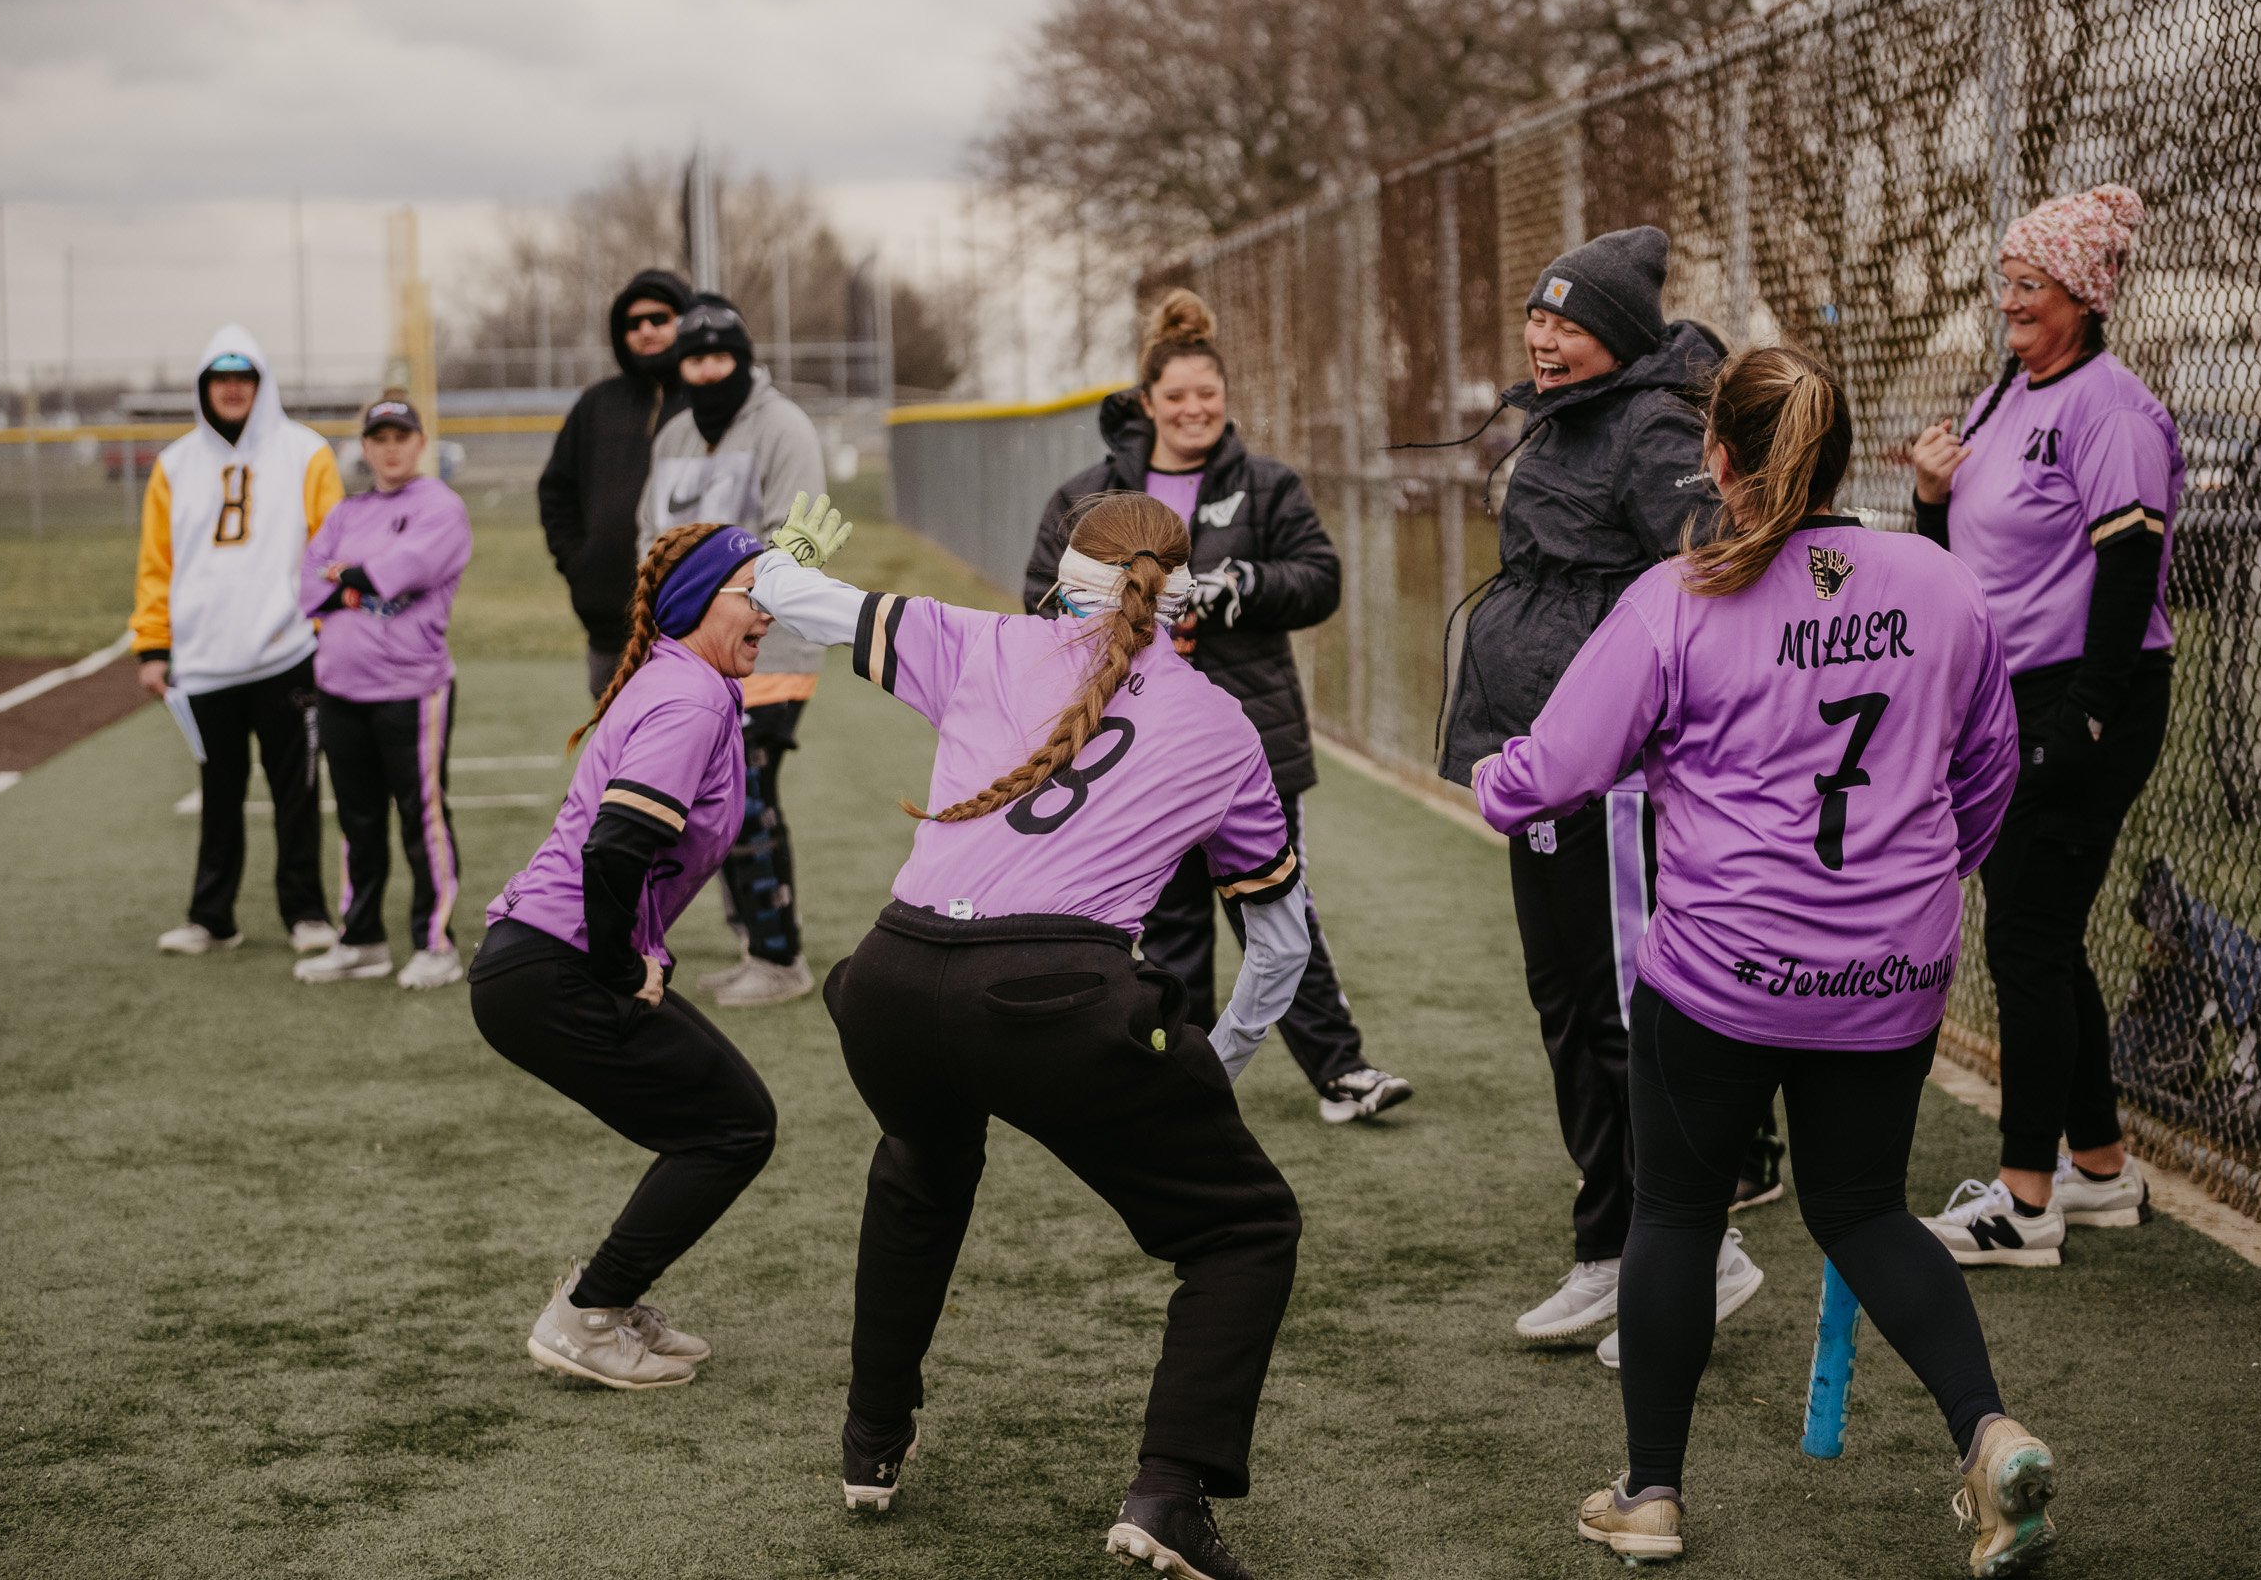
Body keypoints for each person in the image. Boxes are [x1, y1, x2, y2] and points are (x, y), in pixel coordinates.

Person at [1475, 346, 2054, 1574]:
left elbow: (1563, 763)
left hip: (1723, 973)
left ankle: (1652, 1495)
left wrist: (1495, 779)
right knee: (1862, 1208)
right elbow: (1991, 770)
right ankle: (1989, 1431)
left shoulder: (1684, 592)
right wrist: (1916, 886)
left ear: (1719, 462)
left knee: (1675, 1211)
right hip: (1892, 972)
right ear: (1841, 455)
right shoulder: (1939, 583)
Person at [757, 490, 1310, 1580]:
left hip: (893, 977)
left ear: (1062, 575)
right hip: (1056, 996)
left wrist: (799, 543)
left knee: (922, 1159)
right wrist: (1212, 1064)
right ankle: (1168, 1493)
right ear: (1179, 596)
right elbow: (1280, 948)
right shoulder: (1227, 722)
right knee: (1245, 1229)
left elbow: (782, 593)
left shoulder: (987, 639)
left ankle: (871, 1443)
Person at [1435, 228, 1769, 1355]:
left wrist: (1627, 712)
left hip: (1616, 772)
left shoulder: (1653, 425)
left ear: (1616, 338)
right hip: (1544, 761)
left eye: (1566, 322)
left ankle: (1700, 1252)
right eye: (1538, 316)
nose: (1542, 335)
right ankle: (1610, 1247)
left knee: (1629, 1014)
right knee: (1569, 1005)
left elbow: (1713, 580)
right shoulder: (1562, 415)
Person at [1022, 289, 1409, 1126]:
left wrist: (1241, 586)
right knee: (1169, 930)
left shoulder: (1267, 485)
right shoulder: (1088, 496)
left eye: (1209, 396)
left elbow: (1320, 580)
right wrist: (1113, 615)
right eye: (1177, 397)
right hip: (1137, 744)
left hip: (1250, 742)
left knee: (1278, 906)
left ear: (1225, 401)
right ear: (1147, 402)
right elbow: (1039, 602)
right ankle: (1183, 1081)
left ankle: (1341, 1071)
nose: (1194, 410)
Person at [1908, 185, 2178, 1267]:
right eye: (2007, 279)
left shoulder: (2110, 407)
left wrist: (2087, 717)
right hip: (2006, 697)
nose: (2010, 297)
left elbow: (2129, 570)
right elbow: (1956, 550)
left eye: (2033, 281)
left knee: (2024, 936)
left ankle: (2024, 1201)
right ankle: (2100, 1169)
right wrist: (1929, 493)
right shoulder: (2004, 393)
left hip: (2085, 693)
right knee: (2043, 932)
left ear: (2084, 293)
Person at [470, 520, 797, 1390]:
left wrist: (636, 953)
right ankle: (587, 1314)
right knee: (734, 1127)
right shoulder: (688, 698)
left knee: (719, 1118)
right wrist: (621, 966)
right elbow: (614, 848)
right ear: (698, 604)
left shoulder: (690, 683)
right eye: (753, 595)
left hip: (544, 961)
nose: (768, 614)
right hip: (550, 968)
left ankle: (604, 1300)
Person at [635, 295, 829, 1008]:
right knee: (712, 801)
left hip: (771, 648)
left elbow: (793, 538)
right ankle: (755, 944)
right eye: (695, 358)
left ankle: (781, 958)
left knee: (749, 797)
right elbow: (649, 538)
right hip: (692, 654)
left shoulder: (783, 427)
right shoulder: (676, 434)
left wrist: (729, 609)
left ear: (743, 359)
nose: (709, 371)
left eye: (721, 356)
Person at [132, 324, 341, 957]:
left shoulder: (306, 452)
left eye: (242, 377)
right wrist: (153, 645)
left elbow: (331, 548)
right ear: (203, 387)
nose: (231, 389)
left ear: (260, 383)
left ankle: (306, 912)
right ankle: (212, 917)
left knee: (296, 793)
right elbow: (156, 563)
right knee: (218, 795)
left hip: (287, 653)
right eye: (219, 379)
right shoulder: (174, 465)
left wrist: (329, 632)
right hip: (205, 662)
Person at [292, 393, 473, 990]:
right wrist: (352, 578)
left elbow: (396, 572)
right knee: (357, 817)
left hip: (409, 687)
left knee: (421, 817)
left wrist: (350, 576)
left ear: (421, 443)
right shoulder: (347, 512)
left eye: (401, 436)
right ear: (365, 448)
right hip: (340, 685)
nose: (391, 448)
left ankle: (436, 941)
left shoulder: (441, 507)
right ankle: (362, 938)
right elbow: (310, 577)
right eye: (380, 438)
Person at [538, 268, 693, 699]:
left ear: (685, 319)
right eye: (632, 323)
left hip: (696, 625)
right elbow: (556, 491)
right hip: (611, 626)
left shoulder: (708, 401)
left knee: (699, 756)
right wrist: (581, 563)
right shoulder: (596, 404)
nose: (645, 330)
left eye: (659, 318)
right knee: (619, 758)